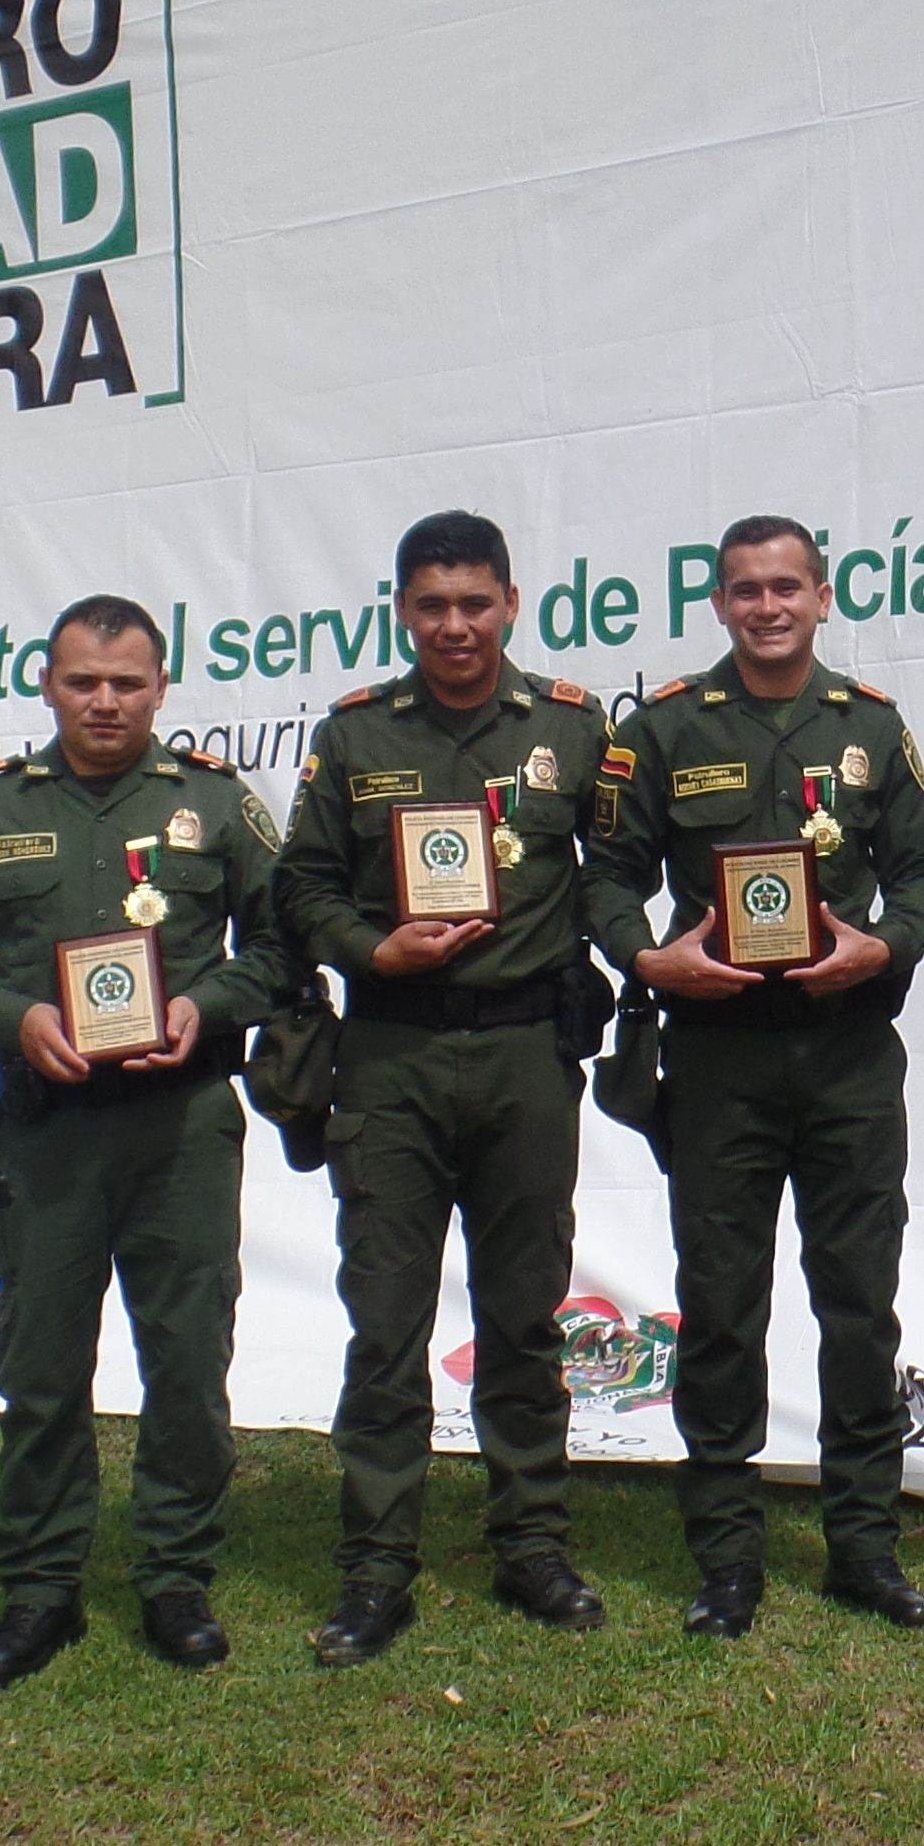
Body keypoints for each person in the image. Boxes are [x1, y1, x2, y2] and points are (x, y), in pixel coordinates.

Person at [0, 596, 286, 1687]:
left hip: (183, 1130)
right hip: (47, 1132)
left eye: (126, 682)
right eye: (81, 681)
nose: (104, 701)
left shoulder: (212, 801)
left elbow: (288, 940)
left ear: (160, 688)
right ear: (49, 684)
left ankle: (174, 1574)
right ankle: (41, 1587)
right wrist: (13, 1019)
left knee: (189, 1358)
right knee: (43, 1364)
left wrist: (211, 1003)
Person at [587, 516, 924, 1636]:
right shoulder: (661, 728)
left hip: (845, 1055)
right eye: (746, 589)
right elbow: (605, 876)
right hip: (718, 1062)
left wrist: (884, 945)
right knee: (723, 1311)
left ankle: (865, 1548)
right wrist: (649, 959)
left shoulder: (872, 730)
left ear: (823, 595)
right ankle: (728, 1559)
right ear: (721, 605)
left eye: (786, 585)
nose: (768, 606)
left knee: (858, 1306)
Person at [278, 512, 621, 1668]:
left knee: (524, 1313)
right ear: (404, 612)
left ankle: (533, 1544)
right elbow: (303, 890)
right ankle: (377, 1566)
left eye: (476, 603)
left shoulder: (574, 732)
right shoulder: (356, 733)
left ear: (512, 605)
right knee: (386, 1322)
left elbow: (619, 876)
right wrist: (374, 952)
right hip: (394, 1055)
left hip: (527, 1056)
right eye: (432, 605)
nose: (456, 625)